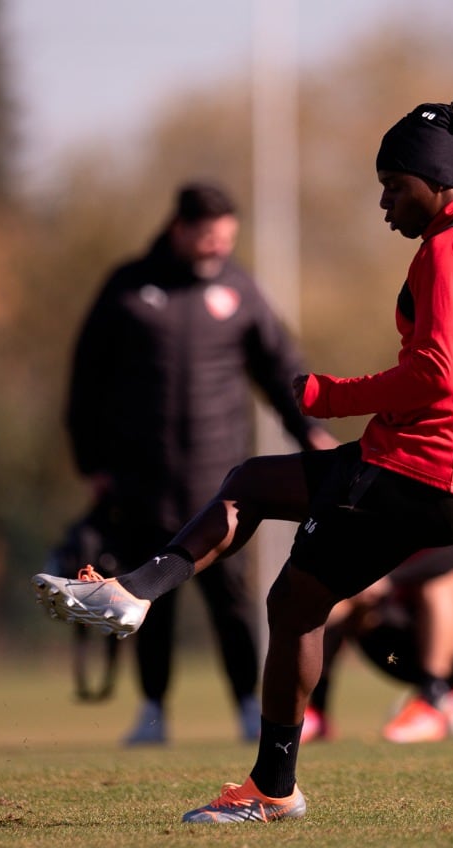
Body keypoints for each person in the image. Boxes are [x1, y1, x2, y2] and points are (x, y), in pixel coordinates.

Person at [34, 101, 453, 823]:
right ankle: (253, 761)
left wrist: (327, 395)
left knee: (265, 523)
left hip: (425, 467)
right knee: (283, 569)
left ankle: (144, 605)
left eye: (393, 186)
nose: (385, 203)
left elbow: (434, 375)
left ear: (432, 180)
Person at [65, 182, 338, 745]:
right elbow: (86, 380)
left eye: (227, 238)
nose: (219, 247)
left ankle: (247, 707)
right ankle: (152, 712)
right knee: (145, 599)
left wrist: (309, 430)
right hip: (141, 482)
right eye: (210, 236)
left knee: (232, 602)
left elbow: (279, 369)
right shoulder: (128, 287)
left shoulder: (239, 290)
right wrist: (91, 462)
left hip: (220, 486)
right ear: (180, 229)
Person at [302, 509, 453, 745]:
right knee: (339, 595)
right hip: (398, 654)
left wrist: (390, 580)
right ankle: (315, 711)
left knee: (439, 582)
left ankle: (431, 702)